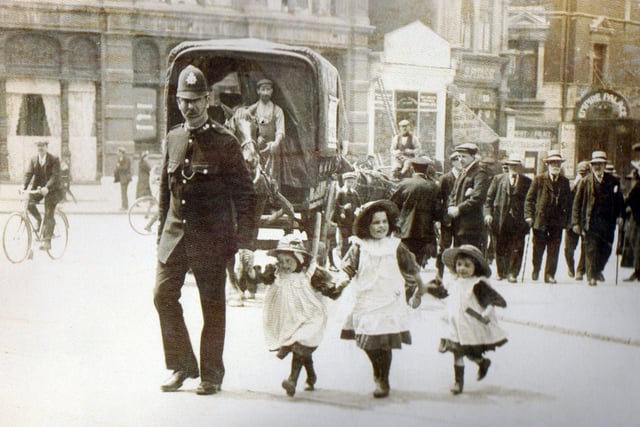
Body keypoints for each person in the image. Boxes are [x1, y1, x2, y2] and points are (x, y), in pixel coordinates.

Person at [153, 64, 257, 395]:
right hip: (175, 235)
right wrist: (160, 240)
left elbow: (246, 196)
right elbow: (164, 196)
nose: (189, 106)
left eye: (196, 100)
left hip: (210, 238)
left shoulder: (224, 142)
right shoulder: (173, 137)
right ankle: (182, 365)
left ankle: (211, 373)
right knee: (162, 296)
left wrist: (246, 245)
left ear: (207, 99)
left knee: (212, 304)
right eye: (184, 100)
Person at [335, 200, 425, 398]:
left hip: (389, 299)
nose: (381, 226)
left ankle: (382, 380)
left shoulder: (395, 245)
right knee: (368, 341)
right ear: (366, 225)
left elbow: (411, 267)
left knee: (384, 341)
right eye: (376, 223)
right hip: (366, 299)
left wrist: (420, 289)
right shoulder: (359, 246)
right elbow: (347, 267)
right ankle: (379, 373)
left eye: (384, 222)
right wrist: (341, 280)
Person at [261, 234, 330, 397]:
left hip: (309, 318)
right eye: (282, 261)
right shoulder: (278, 275)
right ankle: (311, 376)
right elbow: (263, 280)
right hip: (290, 320)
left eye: (289, 261)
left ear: (299, 261)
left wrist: (331, 289)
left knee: (300, 346)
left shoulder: (307, 276)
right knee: (301, 349)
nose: (285, 265)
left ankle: (292, 380)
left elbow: (326, 287)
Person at [438, 244, 507, 395]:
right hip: (455, 325)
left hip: (470, 325)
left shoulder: (477, 284)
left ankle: (482, 362)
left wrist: (488, 311)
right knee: (457, 352)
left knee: (471, 353)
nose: (462, 269)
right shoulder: (454, 282)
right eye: (459, 265)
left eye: (467, 266)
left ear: (476, 267)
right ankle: (458, 382)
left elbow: (489, 300)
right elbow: (445, 295)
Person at [571, 151, 624, 286]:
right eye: (595, 164)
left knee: (606, 249)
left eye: (600, 164)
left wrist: (620, 216)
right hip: (591, 222)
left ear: (604, 165)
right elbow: (577, 204)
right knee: (591, 249)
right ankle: (591, 276)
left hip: (608, 223)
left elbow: (620, 202)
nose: (597, 167)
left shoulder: (613, 182)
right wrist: (576, 222)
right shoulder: (585, 182)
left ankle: (598, 270)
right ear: (591, 165)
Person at [524, 150, 572, 283]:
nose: (555, 165)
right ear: (548, 165)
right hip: (540, 221)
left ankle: (550, 275)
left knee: (554, 250)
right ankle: (536, 268)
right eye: (553, 163)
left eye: (558, 163)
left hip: (557, 222)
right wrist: (529, 216)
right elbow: (529, 199)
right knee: (538, 248)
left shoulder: (565, 182)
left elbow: (569, 203)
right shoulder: (539, 179)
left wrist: (568, 221)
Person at [484, 153, 532, 282]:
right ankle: (501, 272)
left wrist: (529, 217)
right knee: (499, 247)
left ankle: (513, 273)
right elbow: (488, 200)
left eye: (516, 165)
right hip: (500, 219)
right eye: (511, 165)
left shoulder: (527, 181)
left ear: (520, 166)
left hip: (519, 221)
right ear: (508, 166)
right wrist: (488, 214)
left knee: (517, 247)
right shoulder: (498, 179)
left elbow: (531, 201)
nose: (514, 167)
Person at [390, 156, 441, 269]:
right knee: (418, 263)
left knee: (405, 262)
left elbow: (393, 205)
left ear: (412, 169)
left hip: (405, 229)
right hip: (425, 230)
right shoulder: (434, 187)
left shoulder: (404, 184)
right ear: (427, 169)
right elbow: (437, 211)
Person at [446, 143, 491, 251]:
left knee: (470, 258)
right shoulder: (464, 172)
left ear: (473, 157)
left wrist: (459, 208)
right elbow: (453, 193)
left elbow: (478, 197)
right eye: (459, 157)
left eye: (464, 157)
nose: (460, 160)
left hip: (472, 227)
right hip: (459, 225)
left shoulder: (479, 173)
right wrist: (451, 206)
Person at [22, 140, 64, 250]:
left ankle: (47, 241)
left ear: (46, 147)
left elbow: (55, 176)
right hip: (39, 188)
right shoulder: (34, 159)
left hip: (53, 189)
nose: (40, 148)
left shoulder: (54, 159)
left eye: (42, 146)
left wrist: (47, 187)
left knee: (49, 212)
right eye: (38, 146)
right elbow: (29, 174)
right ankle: (39, 220)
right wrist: (23, 187)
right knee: (29, 202)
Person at [243, 78, 285, 186]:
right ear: (258, 91)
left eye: (268, 89)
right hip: (255, 149)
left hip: (271, 150)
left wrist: (276, 143)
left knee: (271, 180)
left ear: (272, 91)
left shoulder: (277, 110)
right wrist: (255, 137)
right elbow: (245, 127)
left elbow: (280, 129)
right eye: (263, 89)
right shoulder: (251, 110)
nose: (265, 93)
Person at [436, 151, 463, 281]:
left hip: (462, 219)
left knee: (459, 247)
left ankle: (456, 274)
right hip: (447, 219)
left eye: (461, 159)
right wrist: (439, 218)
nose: (460, 162)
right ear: (452, 162)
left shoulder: (466, 177)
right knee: (444, 247)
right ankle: (439, 274)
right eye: (457, 159)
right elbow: (438, 199)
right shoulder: (445, 178)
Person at [564, 161, 590, 280]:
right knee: (568, 248)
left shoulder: (591, 185)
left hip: (585, 221)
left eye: (584, 173)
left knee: (585, 248)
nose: (582, 175)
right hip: (571, 222)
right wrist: (575, 184)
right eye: (580, 172)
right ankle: (571, 266)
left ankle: (580, 271)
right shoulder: (571, 185)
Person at [332, 171, 362, 258]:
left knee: (351, 239)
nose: (350, 184)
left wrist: (358, 210)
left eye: (352, 182)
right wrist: (343, 208)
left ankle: (350, 257)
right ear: (345, 182)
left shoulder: (354, 193)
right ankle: (343, 256)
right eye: (348, 182)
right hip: (343, 221)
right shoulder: (341, 193)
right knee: (344, 240)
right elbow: (336, 206)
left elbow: (359, 205)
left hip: (352, 220)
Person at [622, 161, 640, 281]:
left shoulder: (638, 186)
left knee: (637, 244)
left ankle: (638, 271)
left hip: (638, 219)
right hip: (636, 217)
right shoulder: (637, 186)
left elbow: (629, 200)